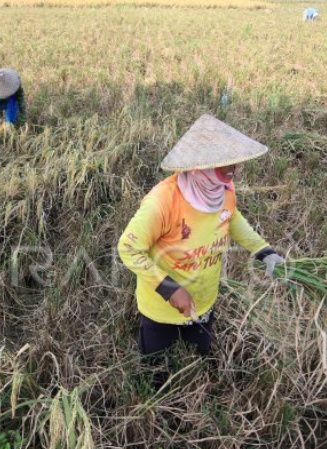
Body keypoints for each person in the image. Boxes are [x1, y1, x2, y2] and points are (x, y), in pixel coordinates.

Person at [117, 114, 285, 374]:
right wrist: (171, 289)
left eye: (234, 165)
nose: (232, 172)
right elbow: (128, 248)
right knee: (155, 369)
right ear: (199, 167)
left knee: (201, 358)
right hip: (161, 308)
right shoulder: (162, 202)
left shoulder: (223, 188)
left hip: (204, 298)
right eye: (225, 166)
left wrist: (264, 251)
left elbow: (231, 217)